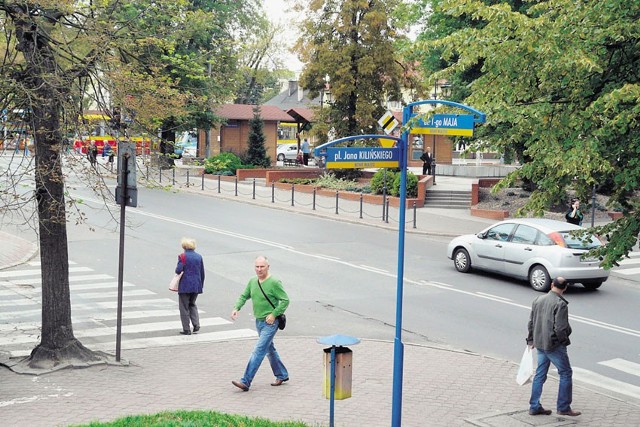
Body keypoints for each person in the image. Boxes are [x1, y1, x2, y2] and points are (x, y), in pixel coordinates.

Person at [230, 255, 289, 391]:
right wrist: (236, 308)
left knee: (258, 351)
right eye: (257, 266)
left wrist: (274, 314)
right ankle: (282, 374)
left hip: (270, 323)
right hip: (259, 322)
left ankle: (245, 381)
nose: (259, 269)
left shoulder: (274, 282)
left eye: (262, 266)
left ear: (268, 267)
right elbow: (244, 296)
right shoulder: (252, 281)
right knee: (270, 350)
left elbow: (285, 300)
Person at [527, 277, 581, 417]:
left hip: (540, 343)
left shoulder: (538, 299)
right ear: (565, 288)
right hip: (553, 345)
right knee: (566, 373)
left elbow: (531, 322)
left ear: (551, 285)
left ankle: (534, 406)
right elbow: (560, 328)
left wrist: (531, 340)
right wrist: (564, 341)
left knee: (540, 374)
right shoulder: (560, 304)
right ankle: (563, 407)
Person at [175, 238, 205, 335]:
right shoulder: (199, 257)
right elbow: (202, 272)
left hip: (185, 285)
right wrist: (201, 285)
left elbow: (178, 270)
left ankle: (186, 329)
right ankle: (196, 324)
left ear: (184, 246)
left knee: (184, 307)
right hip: (196, 285)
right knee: (192, 304)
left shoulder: (182, 256)